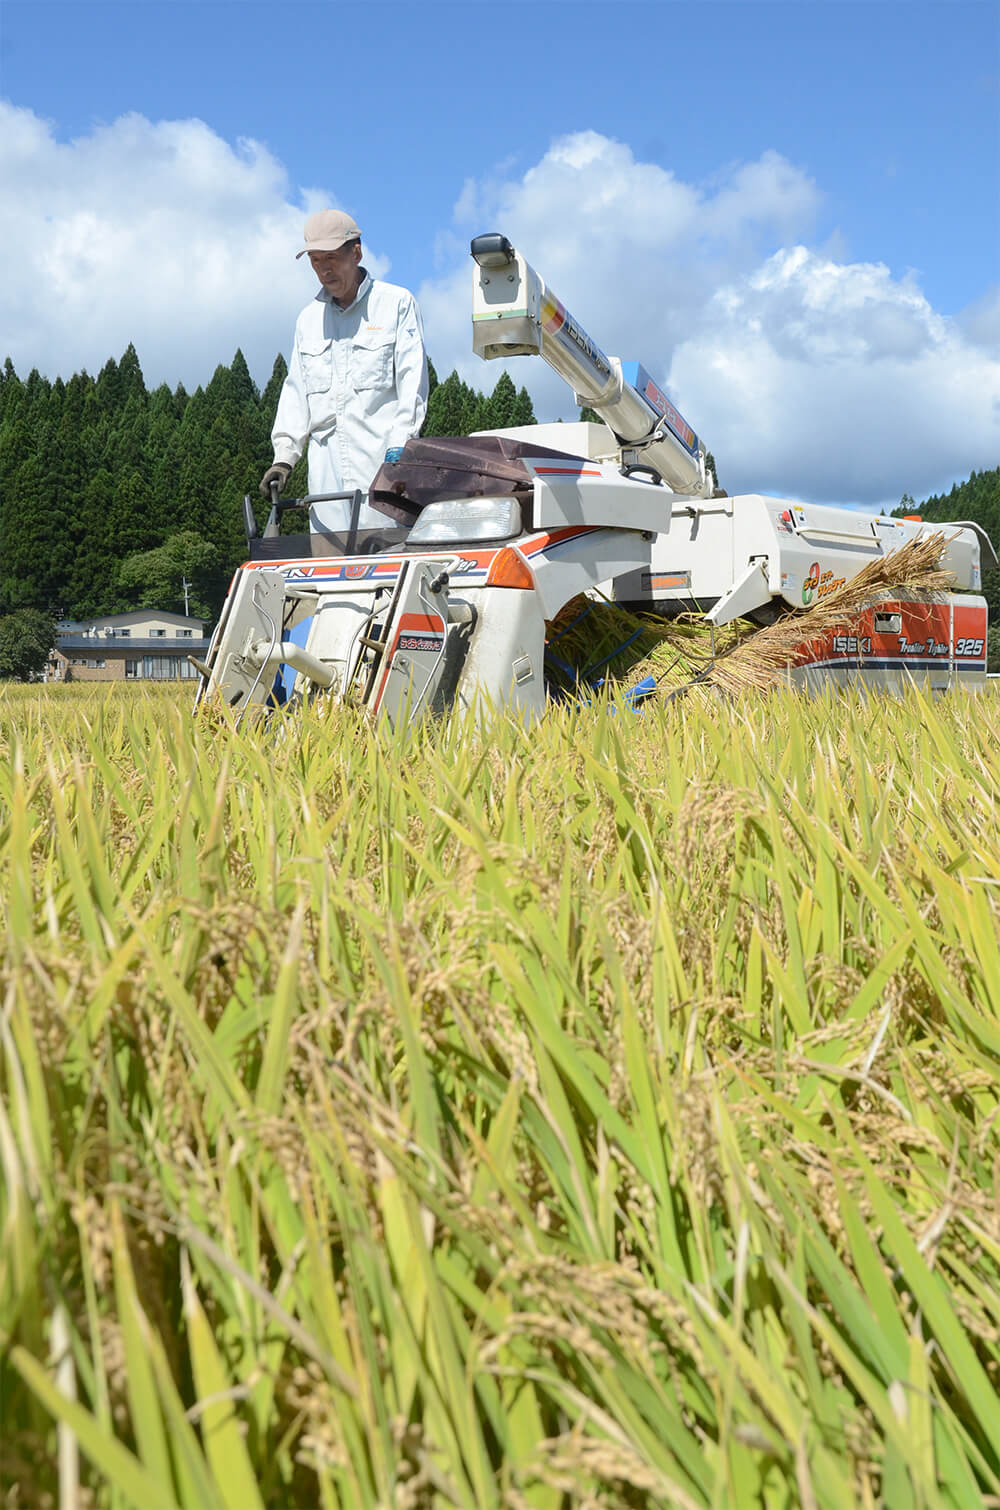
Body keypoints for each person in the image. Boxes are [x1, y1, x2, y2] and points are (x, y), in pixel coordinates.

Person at [260, 209, 428, 538]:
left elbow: (413, 386)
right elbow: (296, 395)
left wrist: (399, 452)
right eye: (315, 260)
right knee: (329, 580)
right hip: (325, 492)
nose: (324, 269)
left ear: (357, 252)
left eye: (333, 258)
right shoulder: (308, 321)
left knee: (386, 581)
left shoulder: (396, 304)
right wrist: (284, 459)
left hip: (384, 483)